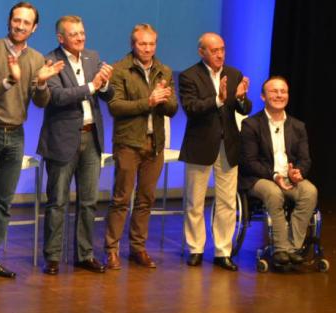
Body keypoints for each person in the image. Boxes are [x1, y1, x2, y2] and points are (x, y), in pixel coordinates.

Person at [0, 1, 64, 287]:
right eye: (16, 20)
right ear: (9, 21)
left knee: (2, 203)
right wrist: (9, 80)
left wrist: (42, 83)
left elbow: (40, 102)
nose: (20, 26)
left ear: (34, 28)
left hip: (15, 134)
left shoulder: (36, 59)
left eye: (26, 22)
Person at [37, 16, 114, 276]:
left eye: (82, 32)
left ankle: (85, 254)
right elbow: (57, 97)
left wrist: (106, 83)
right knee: (58, 202)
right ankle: (53, 257)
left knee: (89, 201)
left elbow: (108, 95)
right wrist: (92, 86)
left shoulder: (93, 57)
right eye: (74, 34)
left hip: (91, 138)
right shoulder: (50, 61)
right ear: (61, 38)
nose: (80, 38)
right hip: (62, 139)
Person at [104, 23, 178, 270]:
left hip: (154, 143)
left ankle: (138, 248)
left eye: (151, 44)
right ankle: (111, 249)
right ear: (133, 44)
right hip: (128, 142)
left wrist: (163, 99)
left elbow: (173, 109)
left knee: (146, 199)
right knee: (121, 198)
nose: (147, 48)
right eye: (142, 44)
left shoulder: (164, 71)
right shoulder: (120, 69)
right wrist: (149, 101)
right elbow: (115, 106)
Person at [179, 32, 251, 271]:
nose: (220, 54)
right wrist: (218, 100)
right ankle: (195, 248)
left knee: (227, 202)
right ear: (202, 52)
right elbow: (191, 107)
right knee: (195, 201)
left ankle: (223, 251)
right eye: (214, 50)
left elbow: (244, 109)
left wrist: (241, 98)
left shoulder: (234, 74)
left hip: (228, 146)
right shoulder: (189, 75)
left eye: (222, 49)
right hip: (200, 145)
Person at [239, 76, 317, 267]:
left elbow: (305, 159)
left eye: (283, 91)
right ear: (263, 97)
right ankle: (281, 249)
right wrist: (274, 176)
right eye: (274, 91)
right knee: (274, 193)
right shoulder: (251, 124)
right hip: (260, 178)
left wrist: (297, 172)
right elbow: (249, 162)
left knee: (309, 191)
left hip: (289, 178)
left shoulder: (298, 126)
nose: (279, 95)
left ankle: (293, 249)